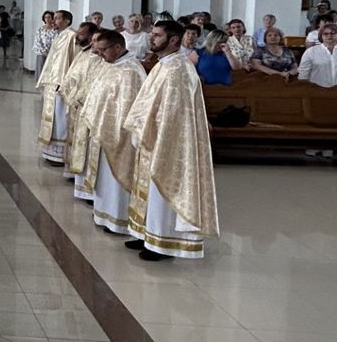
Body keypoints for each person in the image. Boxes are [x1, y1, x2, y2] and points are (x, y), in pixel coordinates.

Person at [123, 19, 219, 262]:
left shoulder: (178, 70)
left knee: (162, 192)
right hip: (152, 135)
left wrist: (155, 134)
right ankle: (145, 233)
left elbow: (174, 112)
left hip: (169, 140)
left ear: (173, 40)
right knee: (148, 190)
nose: (151, 38)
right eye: (152, 34)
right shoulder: (164, 64)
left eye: (157, 35)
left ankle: (162, 243)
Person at [80, 27, 147, 236]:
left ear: (118, 47)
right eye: (98, 50)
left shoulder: (131, 71)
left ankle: (118, 220)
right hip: (103, 131)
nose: (100, 54)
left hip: (119, 137)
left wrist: (110, 129)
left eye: (103, 50)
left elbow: (128, 108)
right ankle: (103, 214)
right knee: (105, 179)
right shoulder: (112, 64)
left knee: (116, 181)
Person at [59, 22, 105, 196]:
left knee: (85, 144)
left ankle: (84, 185)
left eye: (82, 33)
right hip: (76, 105)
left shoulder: (100, 60)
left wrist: (78, 98)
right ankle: (74, 173)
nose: (77, 36)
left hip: (86, 107)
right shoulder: (83, 53)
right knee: (75, 140)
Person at [36, 10, 77, 163]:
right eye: (54, 18)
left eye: (58, 18)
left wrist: (66, 82)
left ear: (67, 21)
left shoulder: (72, 36)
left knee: (60, 117)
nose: (54, 21)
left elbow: (73, 60)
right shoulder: (59, 35)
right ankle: (50, 152)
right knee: (51, 117)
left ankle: (60, 155)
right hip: (52, 82)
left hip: (62, 84)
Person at [294, 22, 337, 89]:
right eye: (326, 34)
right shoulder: (310, 52)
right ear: (321, 36)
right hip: (316, 91)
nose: (329, 35)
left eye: (332, 33)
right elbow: (303, 74)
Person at [32, 10, 56, 77]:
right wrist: (44, 51)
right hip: (42, 53)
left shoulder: (55, 30)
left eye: (49, 17)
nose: (47, 19)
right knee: (41, 68)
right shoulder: (41, 29)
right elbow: (38, 41)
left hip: (52, 53)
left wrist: (51, 52)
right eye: (46, 17)